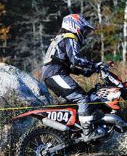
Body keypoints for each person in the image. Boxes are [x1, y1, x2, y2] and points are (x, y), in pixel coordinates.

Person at [42, 14, 104, 142]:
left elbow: (70, 65)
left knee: (70, 104)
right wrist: (94, 65)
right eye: (83, 30)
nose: (84, 34)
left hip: (53, 75)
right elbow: (75, 60)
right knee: (82, 98)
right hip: (55, 74)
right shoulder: (70, 37)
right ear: (74, 26)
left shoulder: (61, 38)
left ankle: (69, 136)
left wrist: (87, 71)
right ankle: (88, 133)